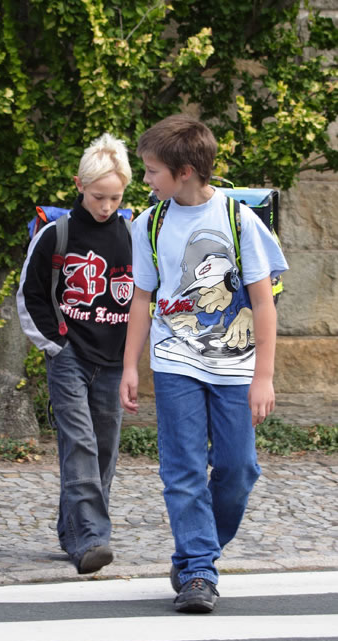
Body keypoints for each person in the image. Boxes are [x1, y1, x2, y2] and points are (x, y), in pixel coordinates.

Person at [120, 115, 288, 612]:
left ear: (186, 171)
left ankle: (199, 548)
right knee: (184, 469)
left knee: (239, 469)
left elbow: (263, 303)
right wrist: (131, 367)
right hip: (176, 363)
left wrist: (264, 378)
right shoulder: (147, 224)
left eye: (152, 171)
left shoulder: (239, 221)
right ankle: (197, 569)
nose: (146, 180)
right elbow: (140, 301)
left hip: (237, 369)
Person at [17, 133, 133, 574]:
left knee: (104, 447)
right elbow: (30, 295)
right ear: (79, 186)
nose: (106, 206)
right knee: (80, 443)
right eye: (99, 197)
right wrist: (55, 345)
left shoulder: (132, 233)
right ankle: (91, 538)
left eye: (115, 198)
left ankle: (74, 531)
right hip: (69, 355)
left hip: (114, 359)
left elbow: (145, 293)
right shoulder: (57, 234)